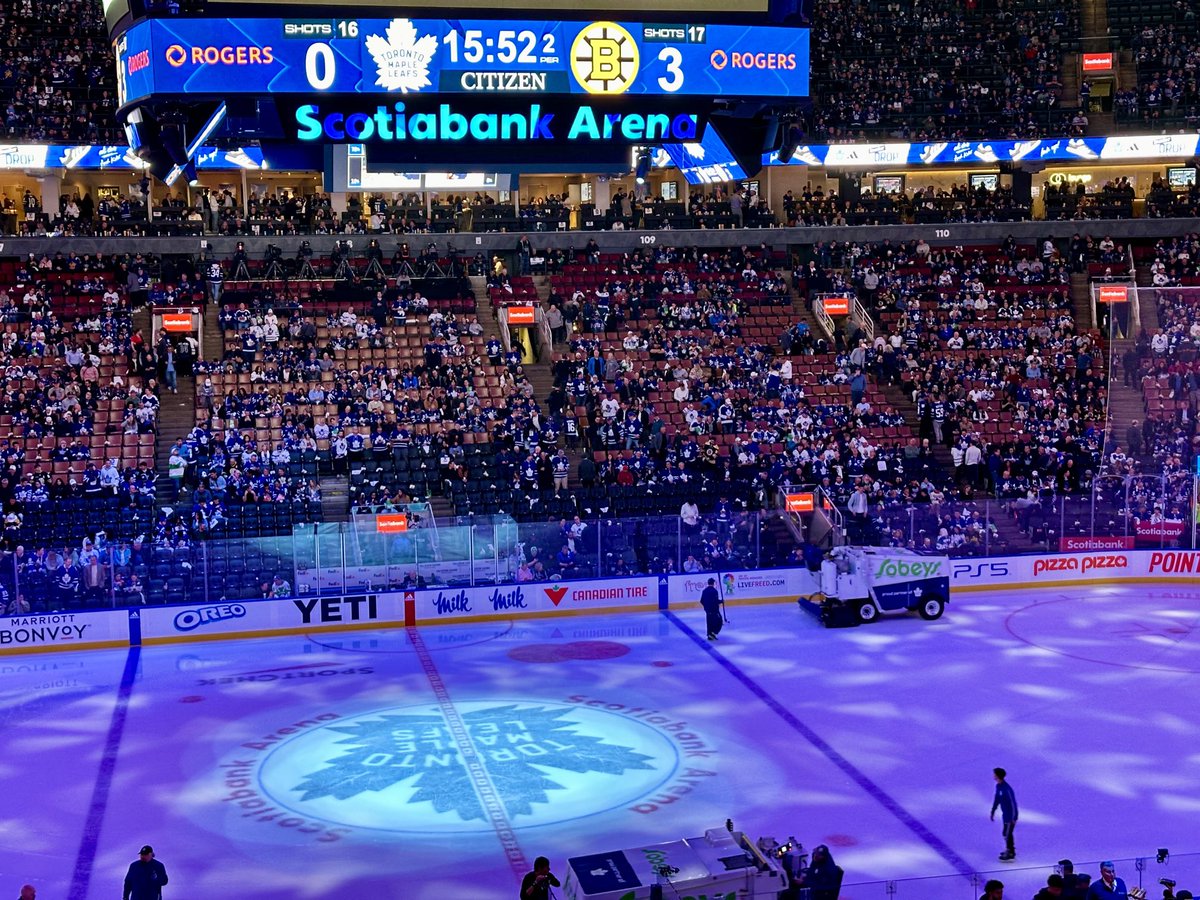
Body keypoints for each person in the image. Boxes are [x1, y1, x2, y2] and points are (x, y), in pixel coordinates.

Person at [991, 767, 1018, 860]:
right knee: (1006, 833)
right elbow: (997, 799)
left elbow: (1013, 803)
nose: (993, 775)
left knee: (1007, 834)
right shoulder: (998, 786)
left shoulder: (1007, 789)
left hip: (1010, 816)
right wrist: (993, 811)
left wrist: (1014, 817)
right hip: (1005, 815)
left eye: (994, 774)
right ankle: (1011, 850)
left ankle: (1009, 851)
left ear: (998, 776)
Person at [700, 577, 724, 641]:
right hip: (714, 610)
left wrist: (706, 607)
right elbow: (715, 601)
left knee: (709, 622)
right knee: (719, 621)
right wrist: (721, 601)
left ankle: (709, 634)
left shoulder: (704, 591)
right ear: (713, 583)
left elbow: (701, 601)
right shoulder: (714, 591)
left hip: (708, 610)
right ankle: (713, 632)